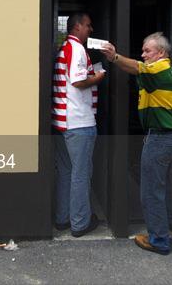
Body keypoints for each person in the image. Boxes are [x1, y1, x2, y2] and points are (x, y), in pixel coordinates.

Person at [101, 32, 172, 255]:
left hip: (161, 137)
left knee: (151, 190)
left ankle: (159, 240)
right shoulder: (167, 71)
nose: (143, 54)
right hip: (169, 135)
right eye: (143, 50)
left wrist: (114, 57)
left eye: (148, 51)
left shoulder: (160, 68)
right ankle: (168, 224)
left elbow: (138, 68)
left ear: (162, 53)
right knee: (161, 184)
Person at [52, 12, 106, 237]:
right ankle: (80, 223)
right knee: (81, 174)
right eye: (88, 25)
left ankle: (63, 218)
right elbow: (78, 81)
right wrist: (98, 76)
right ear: (76, 27)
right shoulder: (76, 49)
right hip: (79, 123)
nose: (90, 29)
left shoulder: (63, 49)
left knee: (66, 172)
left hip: (62, 121)